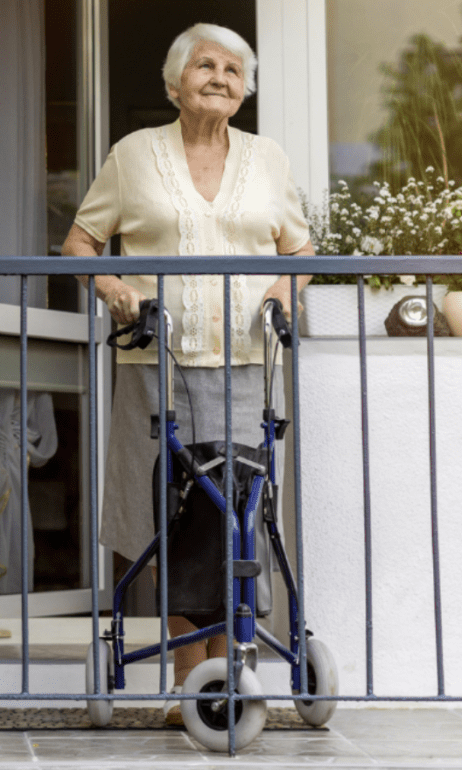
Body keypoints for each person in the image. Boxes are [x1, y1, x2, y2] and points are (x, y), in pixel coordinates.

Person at [61, 22, 314, 723]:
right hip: (159, 361)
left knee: (236, 516)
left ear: (244, 90)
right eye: (206, 65)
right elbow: (81, 242)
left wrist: (281, 293)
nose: (221, 77)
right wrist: (117, 291)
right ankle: (187, 682)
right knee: (171, 517)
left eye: (234, 70)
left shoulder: (268, 159)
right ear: (175, 83)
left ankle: (235, 670)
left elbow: (299, 251)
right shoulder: (134, 155)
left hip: (247, 368)